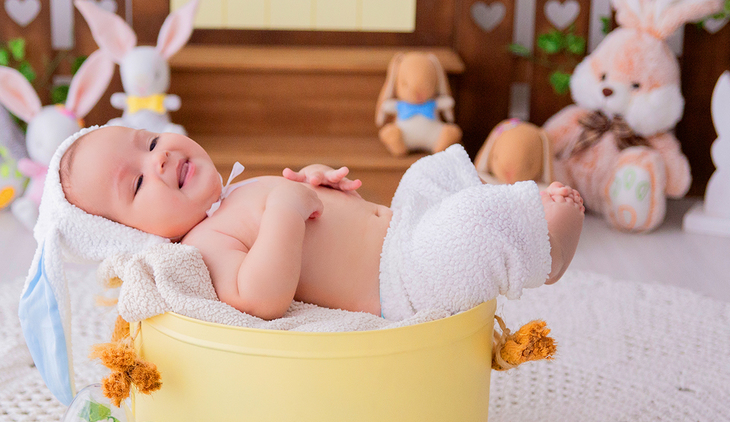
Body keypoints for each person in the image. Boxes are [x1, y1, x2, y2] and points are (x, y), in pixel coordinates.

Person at [59, 126, 584, 322]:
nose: (158, 160)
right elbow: (261, 295)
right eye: (135, 185)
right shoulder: (203, 245)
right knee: (463, 231)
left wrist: (314, 182)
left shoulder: (231, 195)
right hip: (401, 282)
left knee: (429, 171)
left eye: (150, 142)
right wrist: (286, 212)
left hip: (402, 229)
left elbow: (309, 222)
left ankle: (514, 219)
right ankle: (544, 251)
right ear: (137, 235)